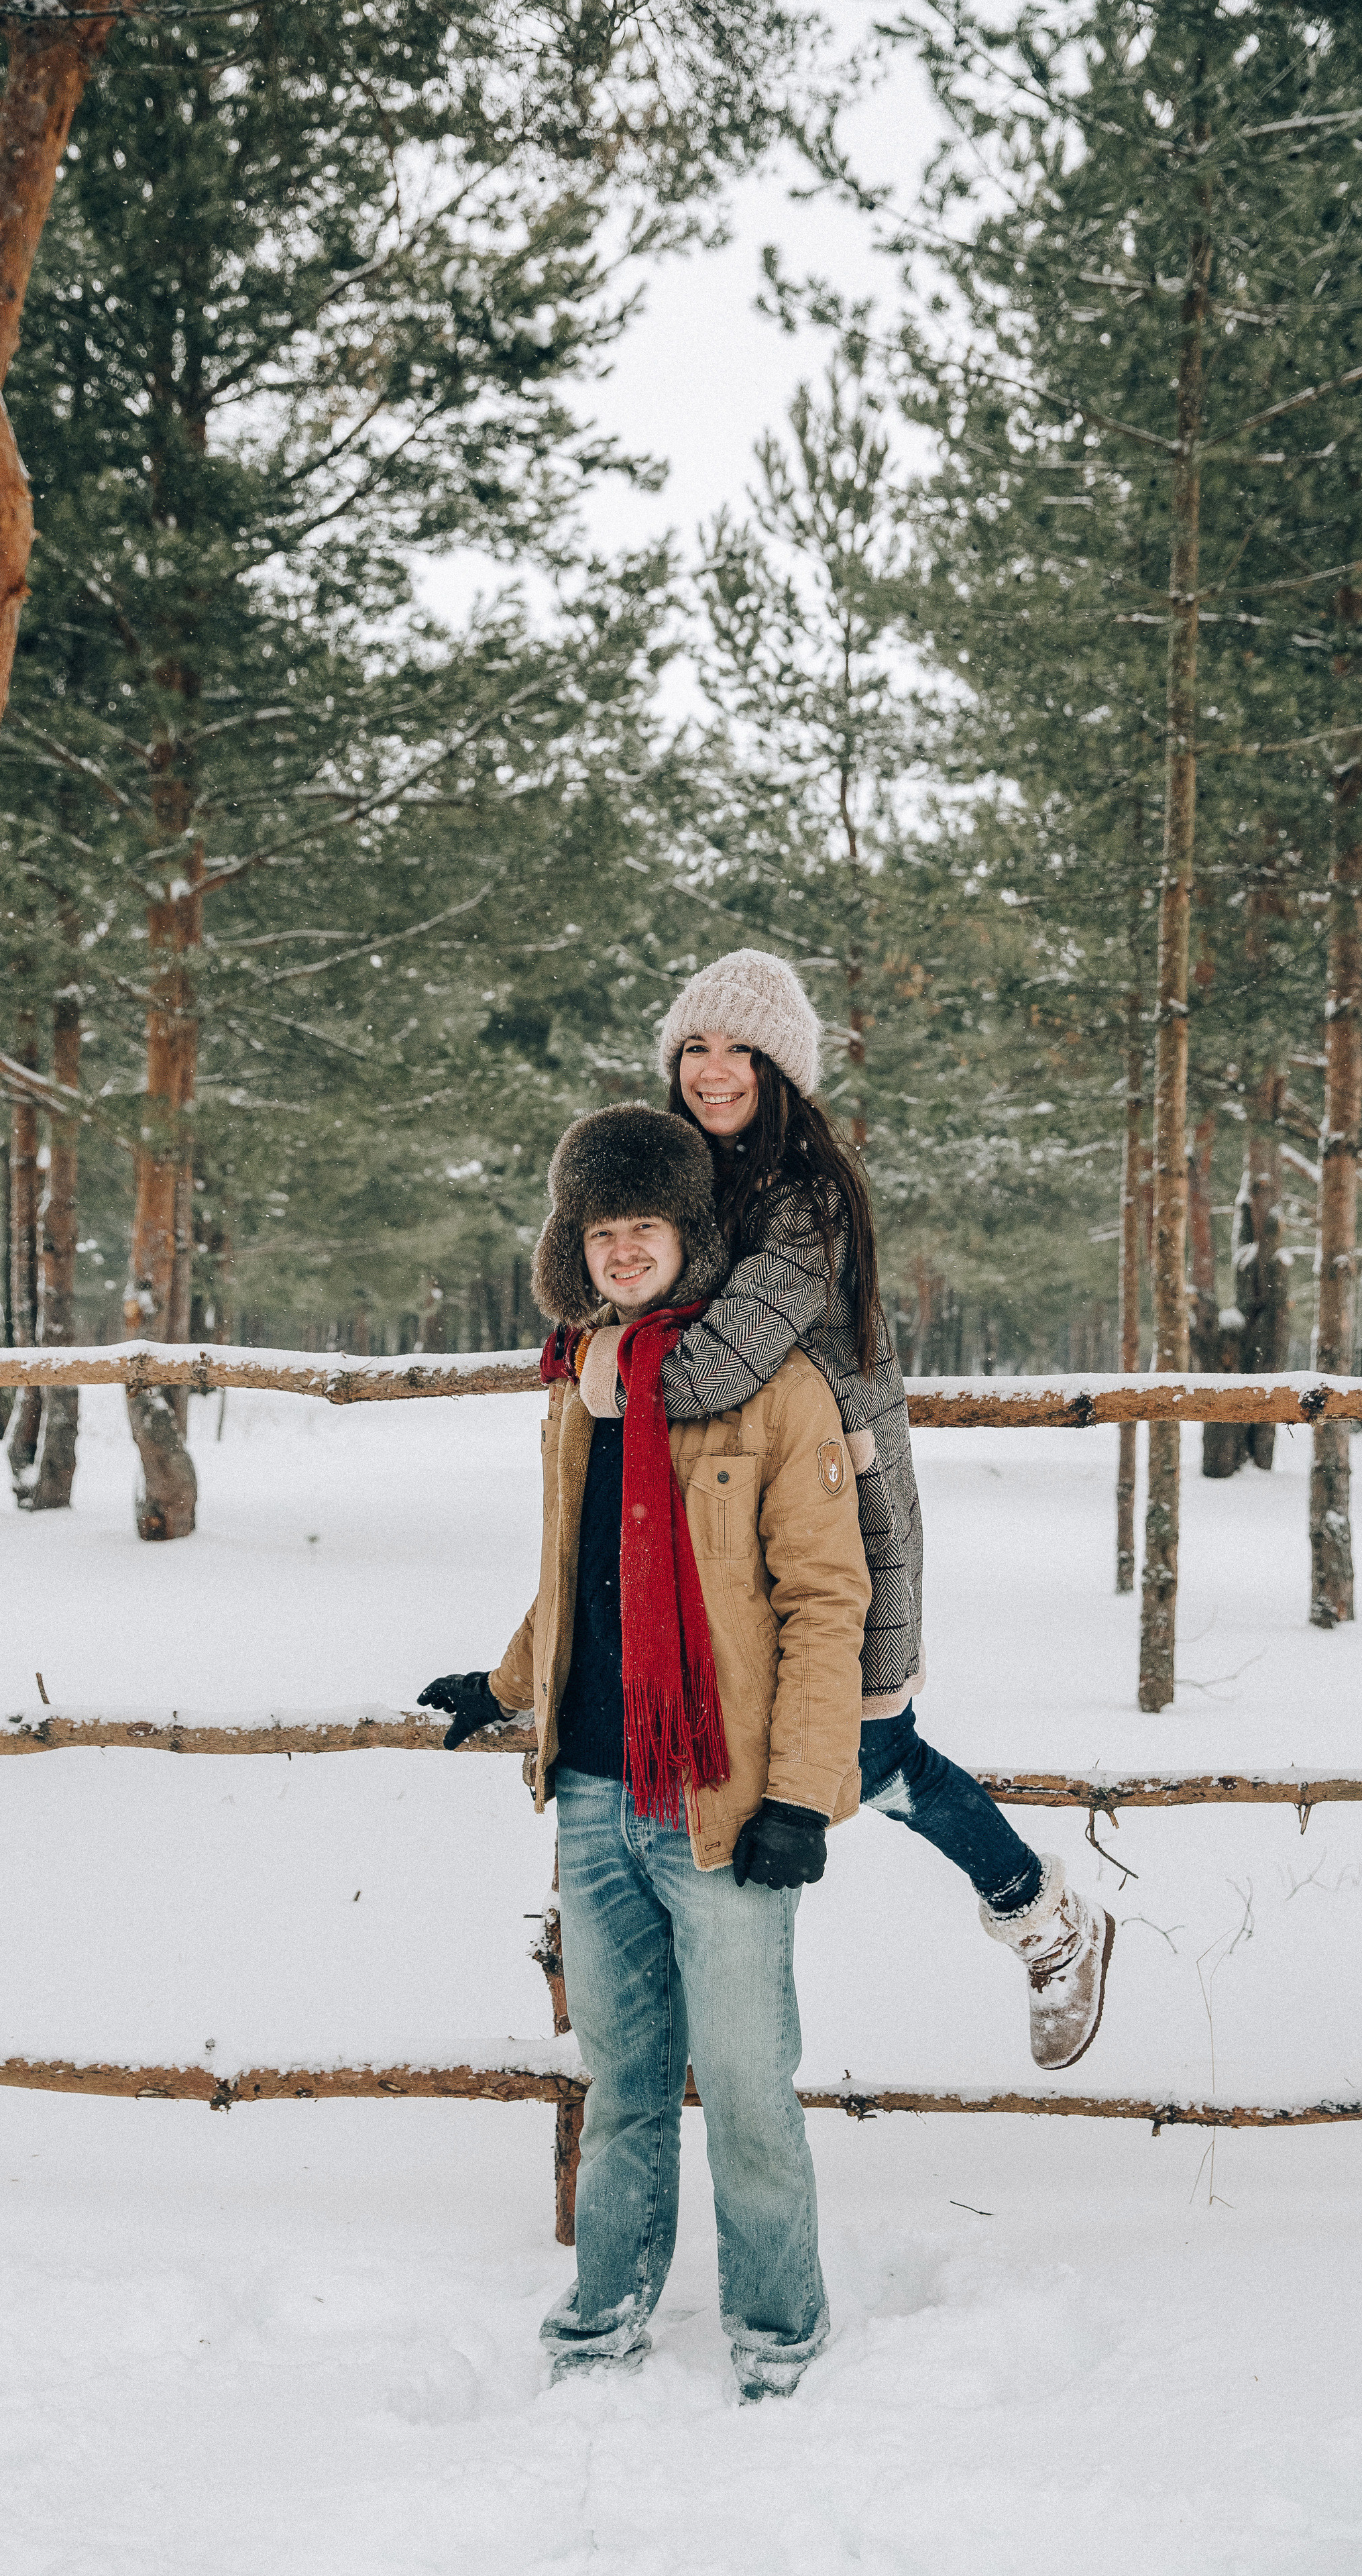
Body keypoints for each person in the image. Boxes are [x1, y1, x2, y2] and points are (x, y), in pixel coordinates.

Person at [576, 949, 1113, 2073]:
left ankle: (1044, 1916)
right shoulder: (689, 1180)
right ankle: (598, 1908)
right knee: (680, 1709)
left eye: (740, 1050)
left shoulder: (808, 1197)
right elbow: (612, 1273)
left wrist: (604, 1365)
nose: (713, 1071)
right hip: (708, 1520)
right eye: (695, 1049)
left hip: (838, 1510)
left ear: (782, 1067)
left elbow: (715, 1364)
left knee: (866, 1750)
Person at [419, 1103, 870, 2400]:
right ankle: (606, 2309)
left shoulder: (775, 1393)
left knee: (742, 2083)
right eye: (603, 1231)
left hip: (719, 1803)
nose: (626, 1252)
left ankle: (779, 2329)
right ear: (579, 1245)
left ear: (690, 1237)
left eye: (648, 1228)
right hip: (594, 1790)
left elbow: (824, 1604)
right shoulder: (581, 1391)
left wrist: (800, 1796)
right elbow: (574, 1575)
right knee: (621, 2080)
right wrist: (506, 1682)